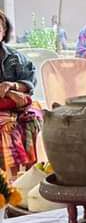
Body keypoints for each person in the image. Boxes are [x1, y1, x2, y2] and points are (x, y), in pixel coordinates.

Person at [0, 10, 42, 176]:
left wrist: (11, 86)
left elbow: (29, 83)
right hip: (7, 106)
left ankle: (29, 176)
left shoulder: (15, 57)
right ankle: (8, 179)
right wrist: (11, 93)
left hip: (17, 107)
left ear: (4, 31)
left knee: (34, 120)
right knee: (7, 128)